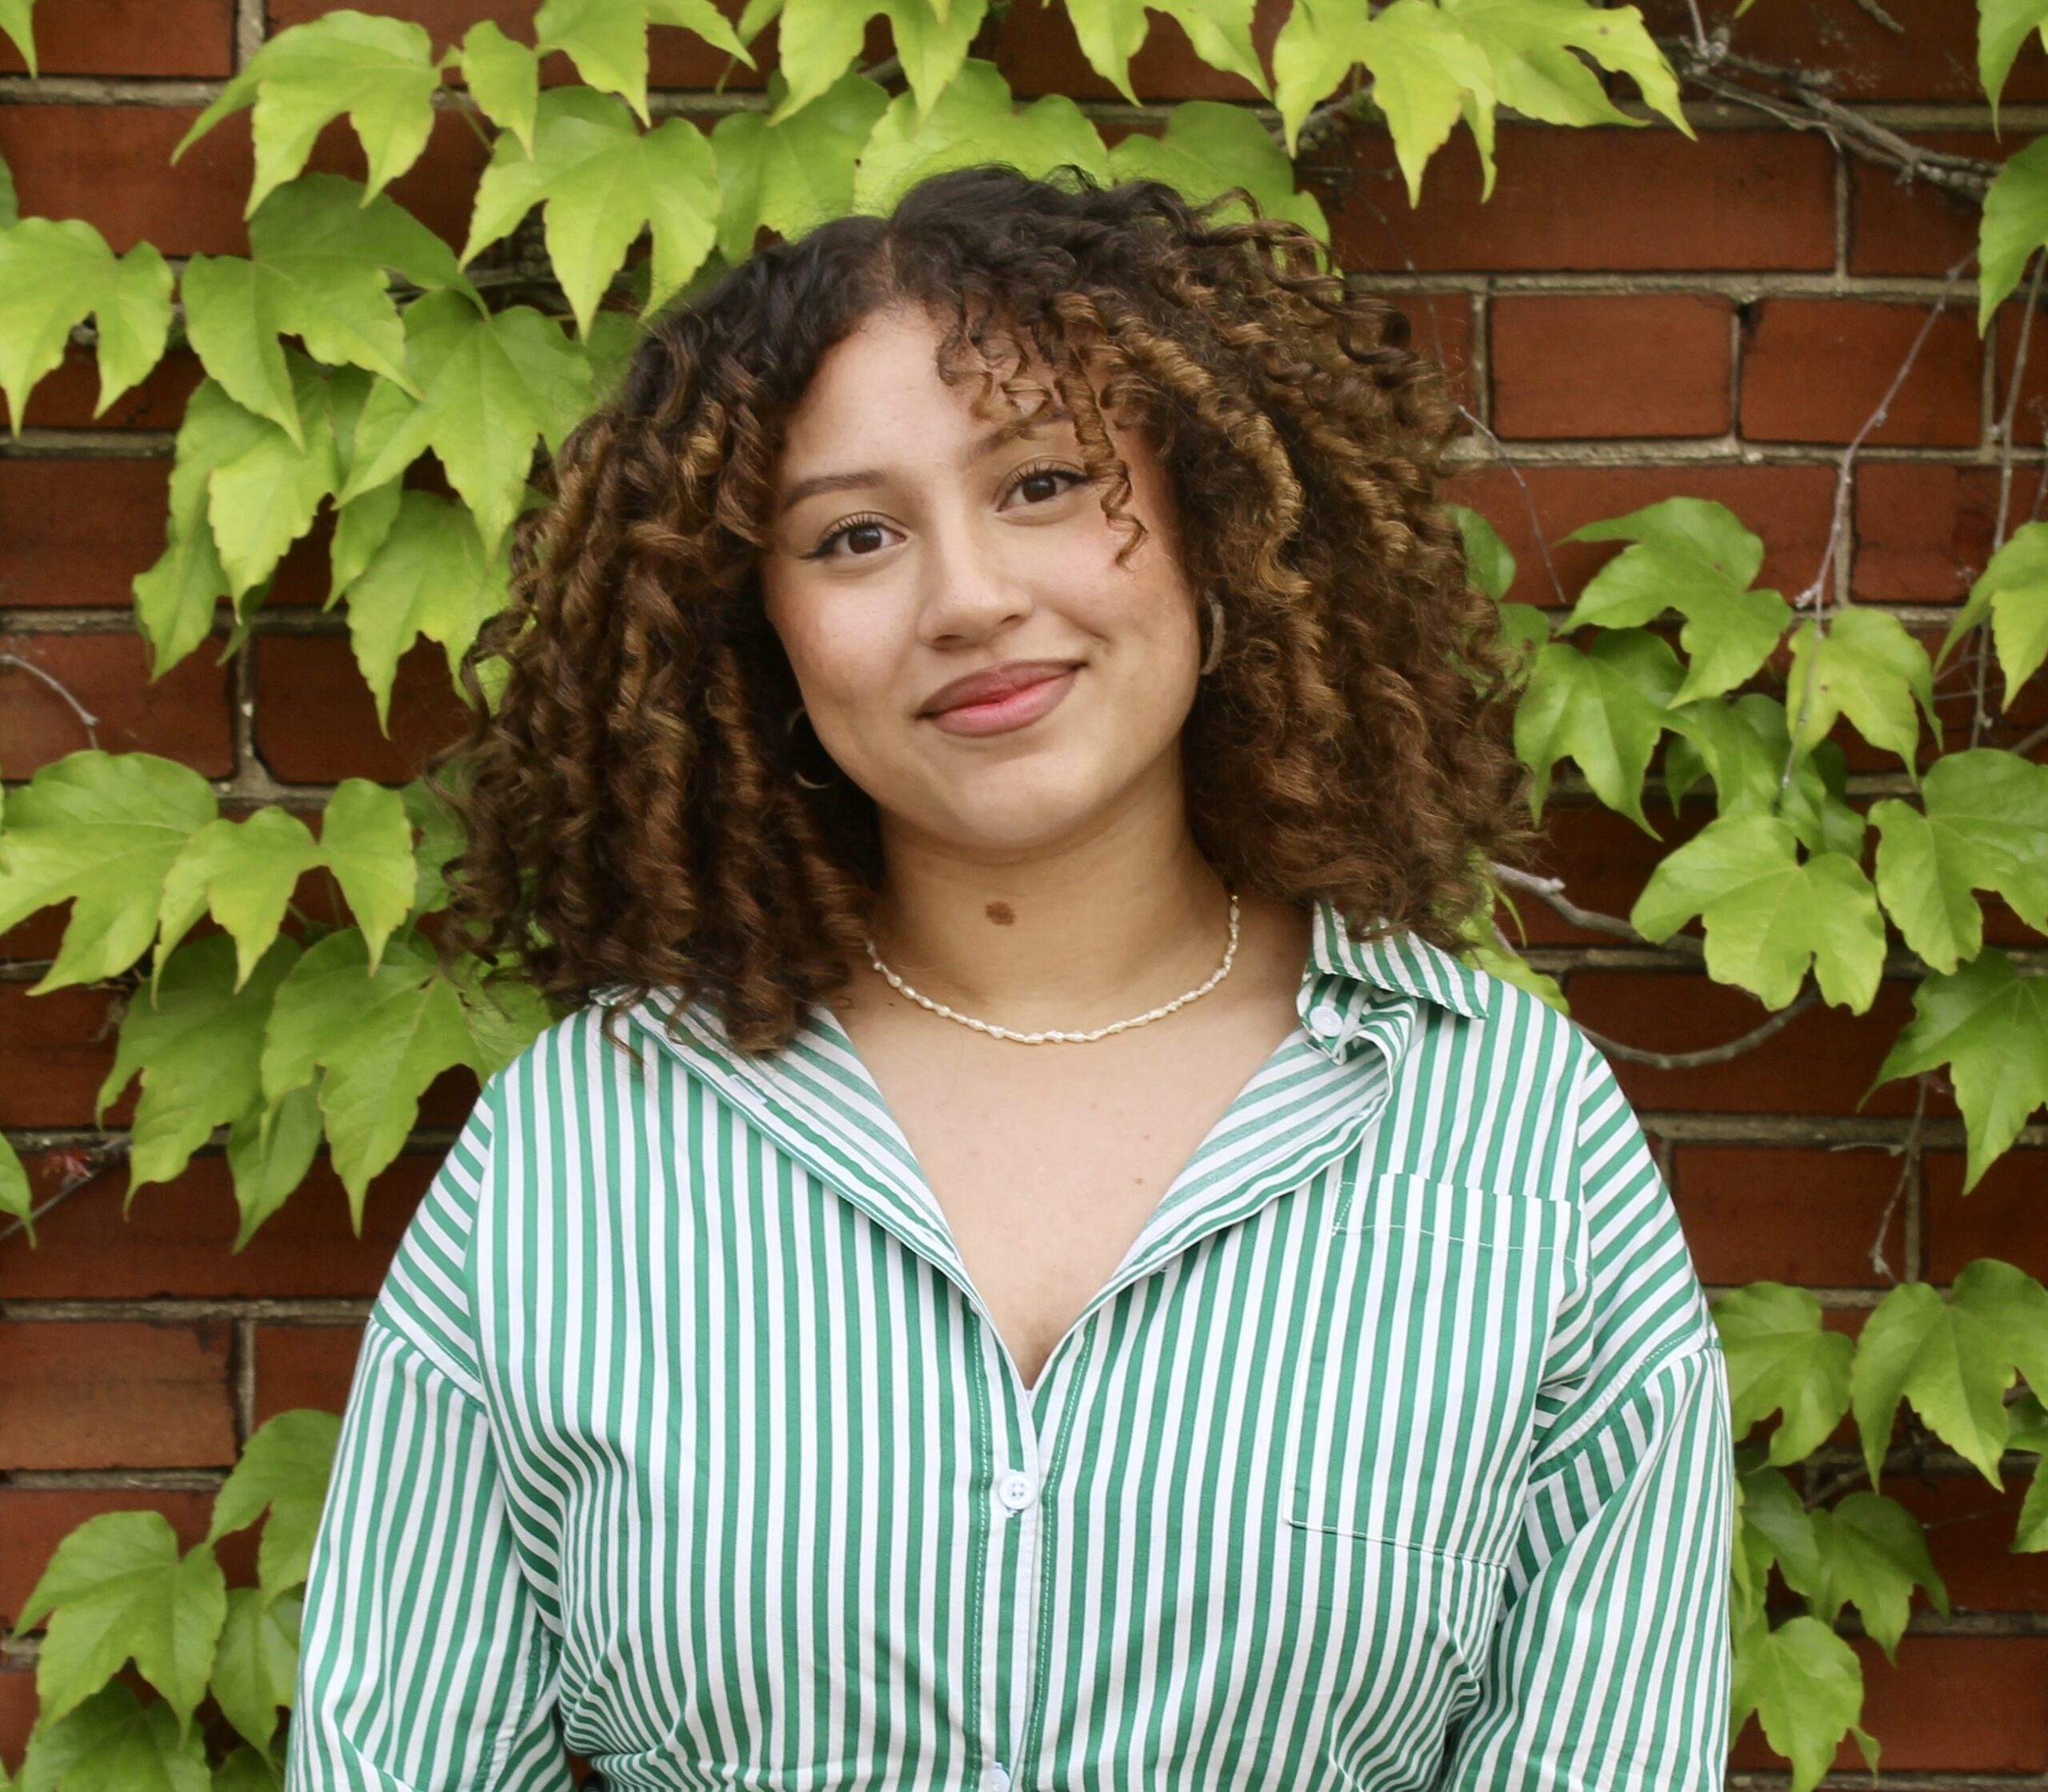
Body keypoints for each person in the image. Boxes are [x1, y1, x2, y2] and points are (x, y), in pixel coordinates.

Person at [286, 165, 1734, 1790]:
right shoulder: (578, 1155)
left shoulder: (1511, 1145)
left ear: (1214, 524)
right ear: (755, 624)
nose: (966, 598)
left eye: (1042, 483)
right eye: (851, 535)